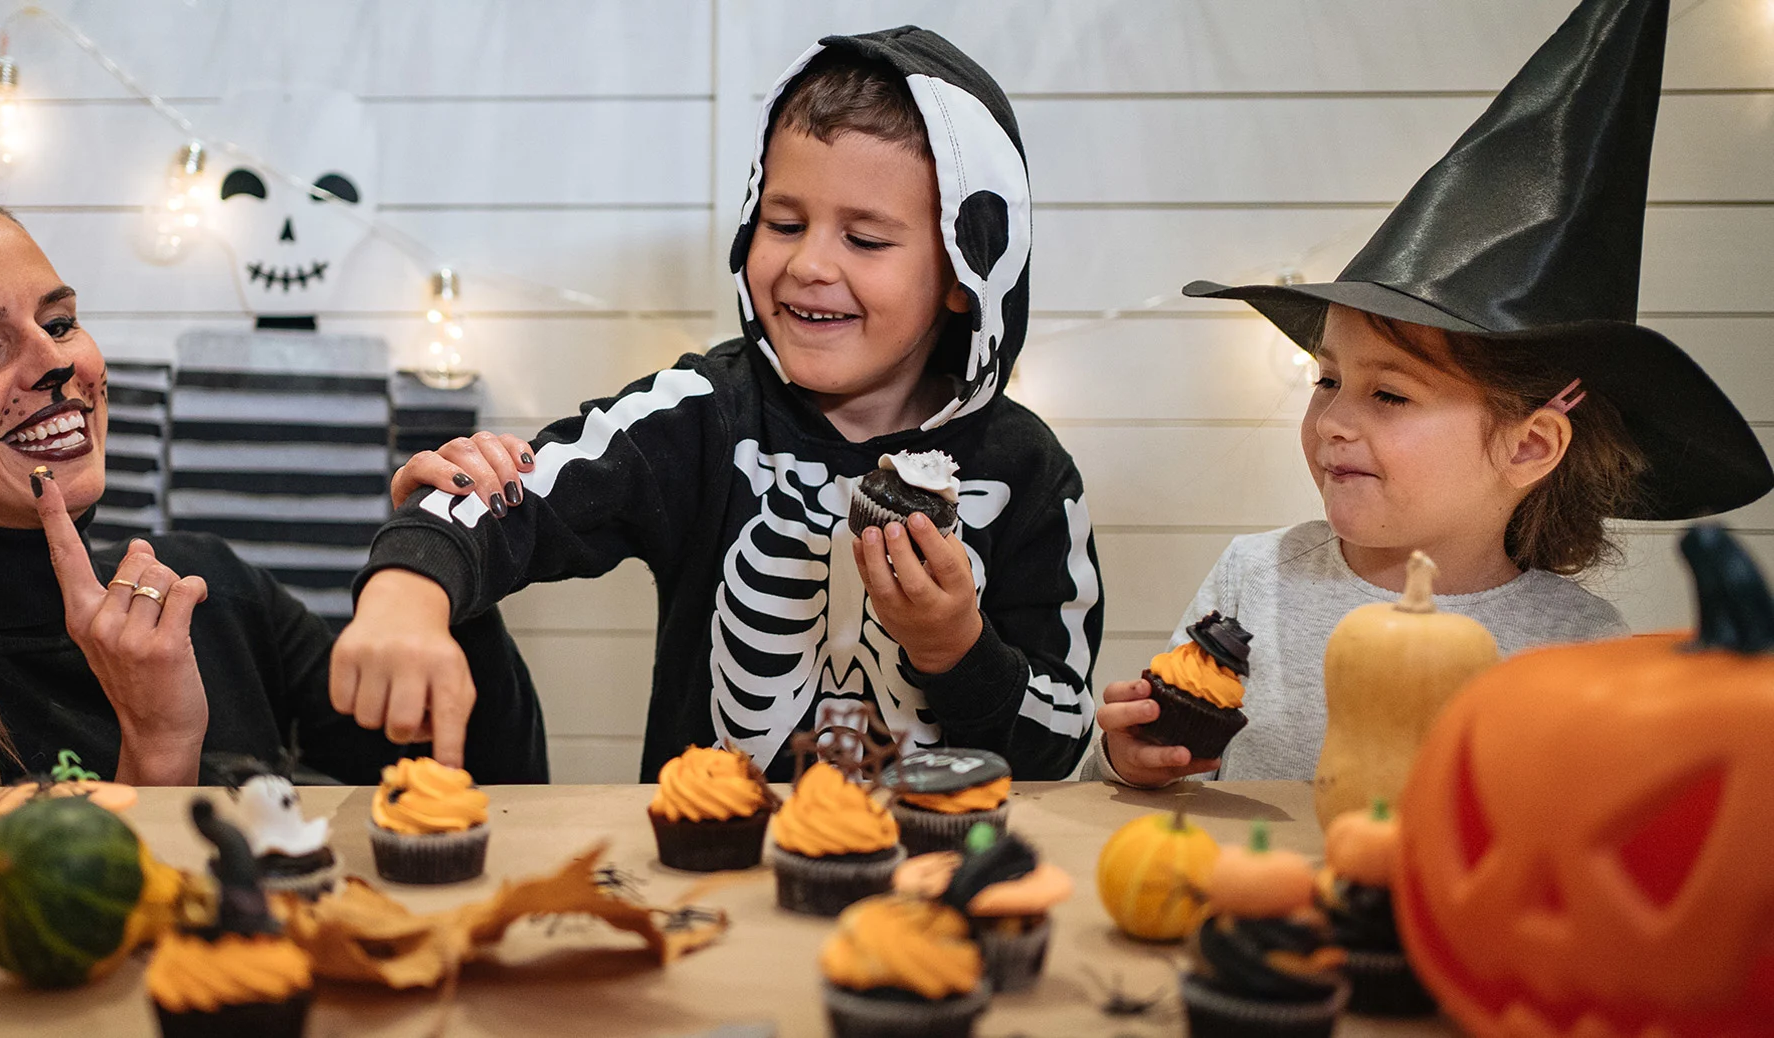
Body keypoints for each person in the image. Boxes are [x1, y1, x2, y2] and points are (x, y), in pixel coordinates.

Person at [334, 29, 1104, 781]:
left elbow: (1059, 743)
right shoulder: (704, 414)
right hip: (712, 881)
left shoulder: (1028, 473)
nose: (808, 264)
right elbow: (513, 496)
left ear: (966, 270)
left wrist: (956, 649)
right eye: (785, 223)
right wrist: (408, 589)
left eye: (865, 240)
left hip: (942, 884)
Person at [1090, 0, 1773, 785]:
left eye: (1390, 396)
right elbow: (1155, 766)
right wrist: (1130, 754)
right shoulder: (1256, 579)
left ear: (1528, 445)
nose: (1333, 421)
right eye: (1329, 379)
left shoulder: (1584, 649)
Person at [0, 187, 546, 785]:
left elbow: (482, 795)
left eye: (60, 323)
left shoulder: (209, 589)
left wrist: (442, 566)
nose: (56, 364)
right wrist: (158, 746)